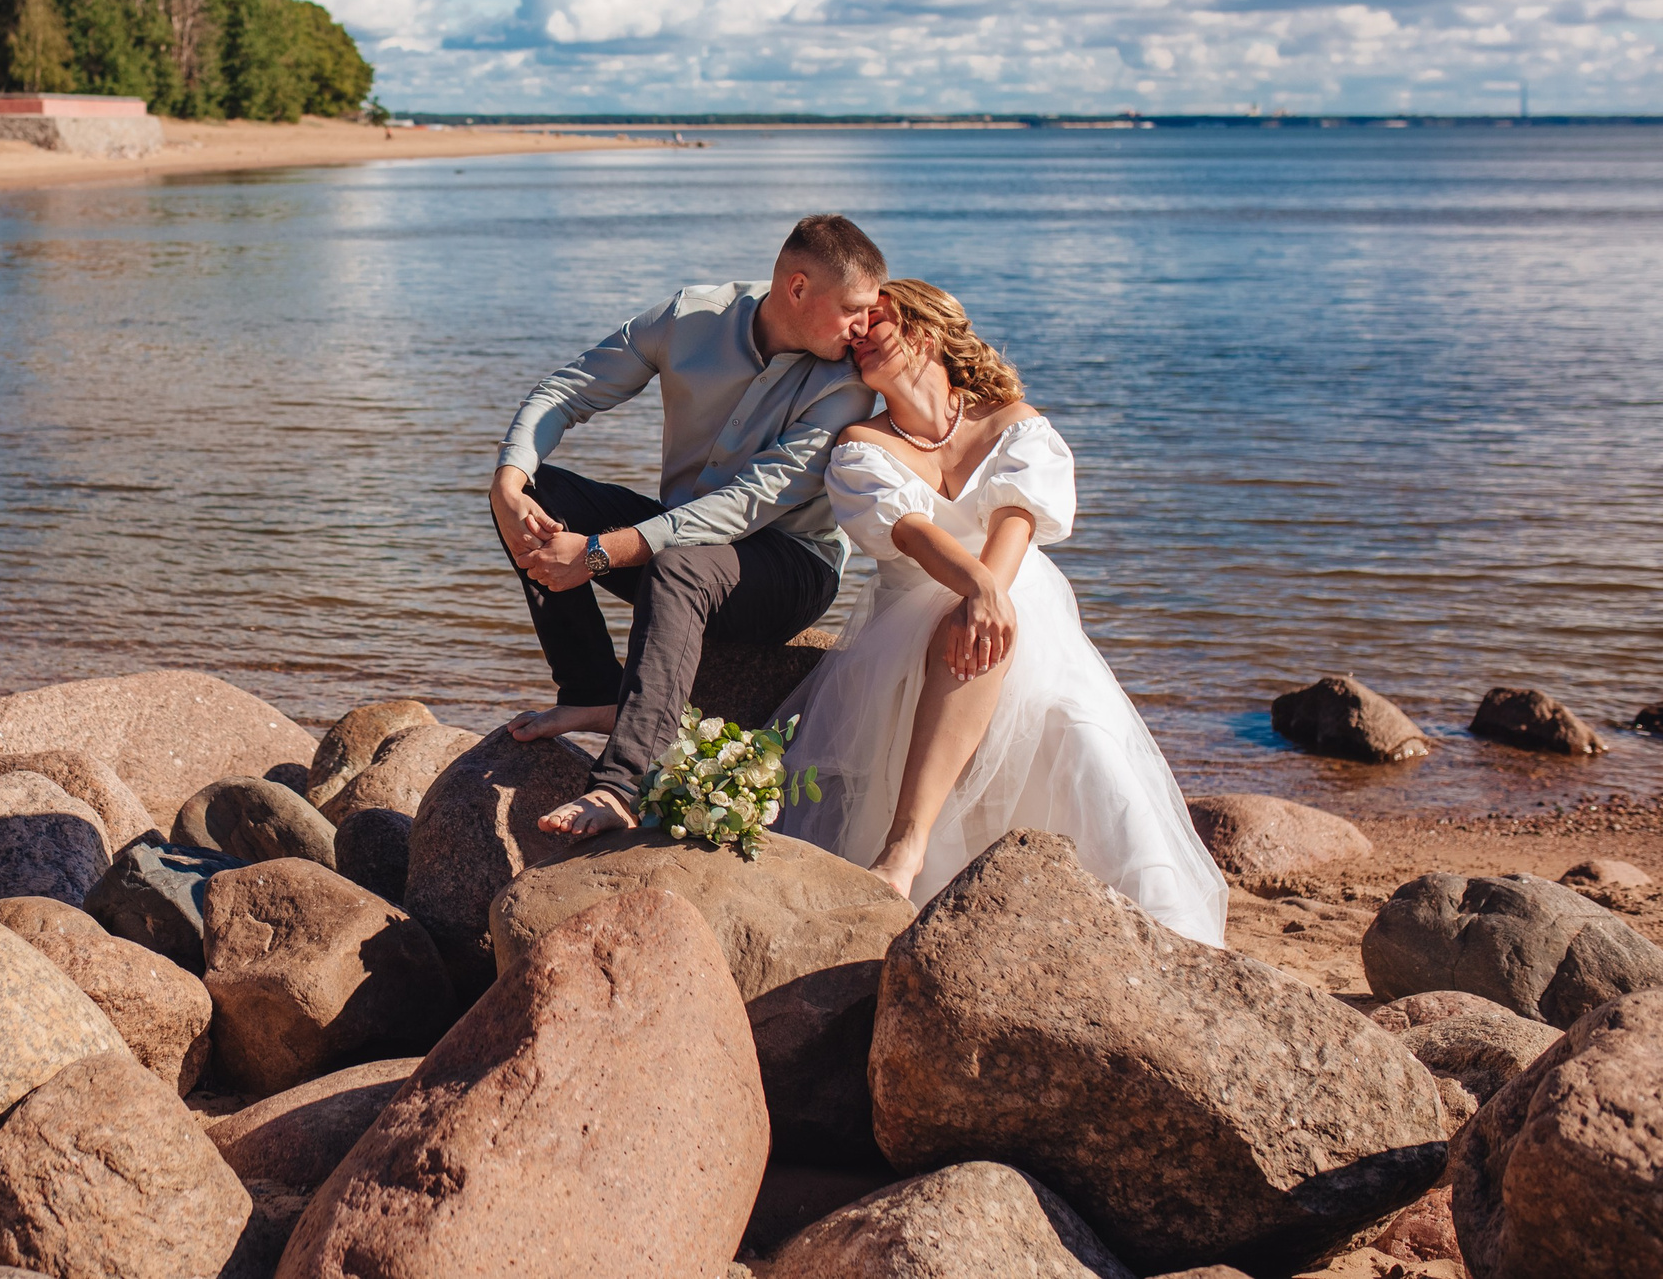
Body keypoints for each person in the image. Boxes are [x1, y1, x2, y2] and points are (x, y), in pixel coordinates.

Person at [774, 279, 1227, 944]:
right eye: (857, 325)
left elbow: (1017, 519)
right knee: (964, 627)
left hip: (1021, 608)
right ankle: (906, 848)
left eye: (880, 319)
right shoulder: (860, 443)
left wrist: (987, 594)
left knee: (1075, 729)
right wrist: (975, 591)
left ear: (926, 331)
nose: (860, 332)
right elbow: (909, 533)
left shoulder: (1013, 421)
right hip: (912, 627)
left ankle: (1166, 925)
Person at [492, 214, 886, 836]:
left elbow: (748, 502)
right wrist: (507, 480)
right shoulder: (691, 317)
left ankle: (622, 784)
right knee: (536, 492)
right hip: (681, 539)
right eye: (853, 310)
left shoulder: (847, 384)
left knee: (679, 563)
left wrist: (595, 554)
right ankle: (593, 690)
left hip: (790, 565)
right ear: (798, 287)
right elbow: (568, 389)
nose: (864, 327)